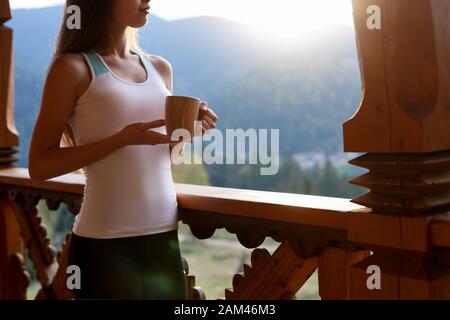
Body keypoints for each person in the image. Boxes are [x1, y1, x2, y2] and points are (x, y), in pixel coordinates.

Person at [28, 0, 219, 299]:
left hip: (164, 237)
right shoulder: (73, 67)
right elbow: (39, 166)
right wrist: (120, 139)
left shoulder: (159, 68)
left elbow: (164, 158)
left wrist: (186, 132)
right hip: (105, 244)